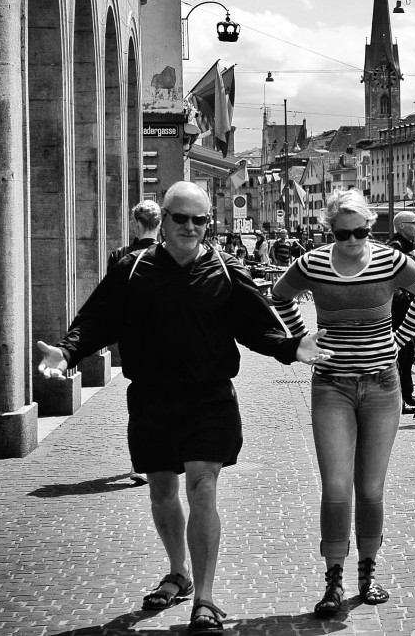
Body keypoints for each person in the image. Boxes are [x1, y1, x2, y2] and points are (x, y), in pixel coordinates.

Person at [35, 182, 332, 635]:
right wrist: (67, 352)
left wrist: (293, 348)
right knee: (160, 489)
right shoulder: (131, 269)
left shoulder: (226, 269)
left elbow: (256, 327)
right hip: (151, 396)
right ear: (164, 221)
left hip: (209, 396)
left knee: (203, 487)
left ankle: (206, 600)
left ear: (207, 223)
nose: (190, 227)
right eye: (181, 218)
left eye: (200, 220)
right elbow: (98, 318)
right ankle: (179, 573)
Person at [270, 190, 415, 618]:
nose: (353, 240)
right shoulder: (313, 263)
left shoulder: (390, 260)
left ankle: (367, 573)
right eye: (344, 233)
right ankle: (333, 580)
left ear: (371, 225)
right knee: (337, 486)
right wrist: (302, 338)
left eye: (361, 231)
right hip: (332, 386)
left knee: (371, 488)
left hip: (382, 386)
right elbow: (278, 294)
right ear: (331, 230)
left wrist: (400, 342)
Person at [107, 199, 163, 485]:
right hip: (166, 340)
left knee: (140, 405)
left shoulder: (119, 256)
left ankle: (138, 462)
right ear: (159, 224)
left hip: (133, 342)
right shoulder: (171, 255)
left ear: (135, 223)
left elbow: (111, 302)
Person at [388, 211, 415, 414]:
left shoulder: (404, 246)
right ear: (402, 226)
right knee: (404, 352)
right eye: (414, 223)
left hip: (403, 305)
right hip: (397, 308)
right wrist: (408, 259)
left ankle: (406, 395)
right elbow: (391, 268)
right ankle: (403, 398)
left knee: (407, 352)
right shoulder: (396, 246)